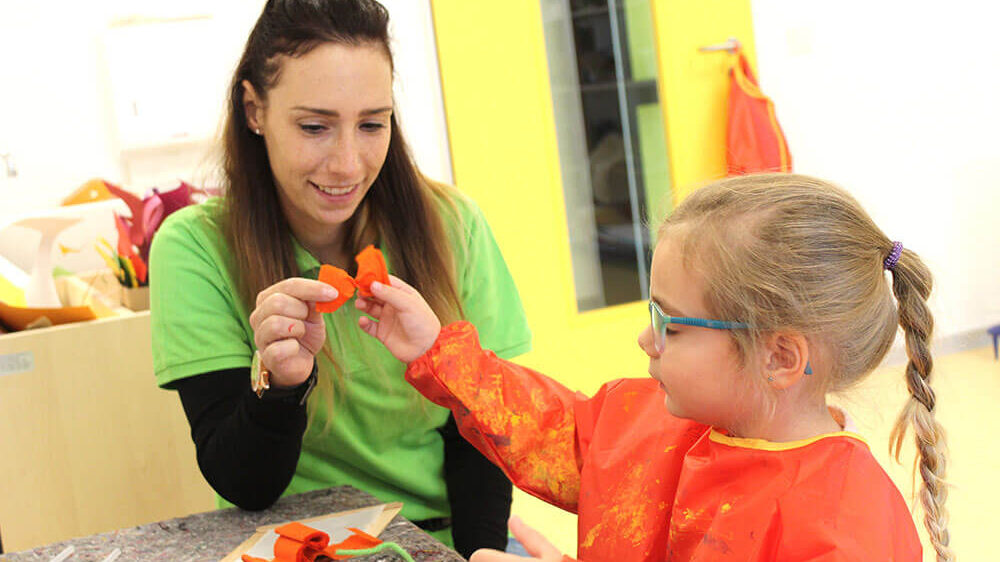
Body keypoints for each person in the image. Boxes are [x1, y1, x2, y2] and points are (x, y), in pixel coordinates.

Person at [356, 173, 953, 561]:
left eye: (672, 323)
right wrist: (438, 349)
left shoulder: (845, 528)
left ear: (779, 356)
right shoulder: (660, 419)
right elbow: (556, 434)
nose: (647, 339)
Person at [148, 0, 531, 556]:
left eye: (372, 124)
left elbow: (484, 437)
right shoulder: (193, 249)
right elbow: (243, 484)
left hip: (446, 537)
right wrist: (280, 388)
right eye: (314, 127)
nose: (348, 164)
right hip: (297, 546)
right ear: (254, 110)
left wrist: (477, 554)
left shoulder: (454, 225)